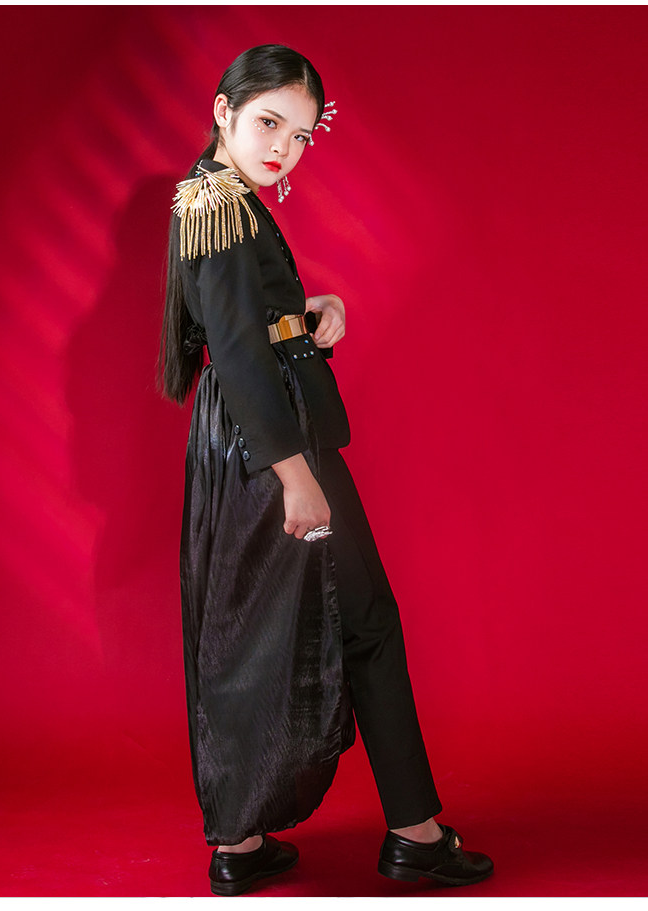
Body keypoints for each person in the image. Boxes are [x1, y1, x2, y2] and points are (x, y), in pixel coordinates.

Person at [158, 44, 493, 897]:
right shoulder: (220, 206)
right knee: (363, 621)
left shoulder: (215, 196)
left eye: (302, 135)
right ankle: (414, 834)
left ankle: (241, 840)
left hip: (250, 437)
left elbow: (240, 326)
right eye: (270, 122)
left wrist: (310, 312)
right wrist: (295, 475)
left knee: (252, 631)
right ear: (224, 110)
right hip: (271, 442)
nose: (285, 147)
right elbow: (237, 355)